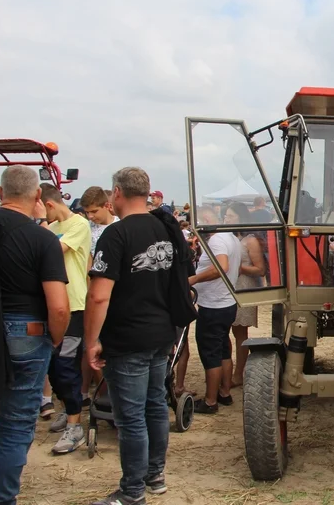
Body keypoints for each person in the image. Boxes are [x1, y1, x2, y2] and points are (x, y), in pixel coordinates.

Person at [85, 167, 177, 504]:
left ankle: (132, 491)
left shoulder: (115, 234)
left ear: (118, 193)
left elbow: (98, 295)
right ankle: (155, 475)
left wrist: (92, 340)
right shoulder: (165, 228)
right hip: (161, 332)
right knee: (155, 406)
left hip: (128, 337)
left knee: (132, 416)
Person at [0, 166, 70, 504]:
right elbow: (58, 307)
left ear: (0, 193)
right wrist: (53, 339)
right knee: (14, 424)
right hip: (26, 331)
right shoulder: (42, 239)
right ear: (38, 196)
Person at [39, 182, 92, 454]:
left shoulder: (78, 225)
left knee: (66, 364)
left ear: (48, 204)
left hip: (73, 307)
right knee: (51, 366)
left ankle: (75, 425)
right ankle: (67, 407)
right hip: (50, 306)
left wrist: (37, 226)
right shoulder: (51, 229)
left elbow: (51, 251)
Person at [189, 206, 242, 414]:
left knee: (210, 352)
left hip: (214, 305)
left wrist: (193, 279)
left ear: (206, 219)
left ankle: (210, 401)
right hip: (225, 302)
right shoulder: (231, 238)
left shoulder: (217, 239)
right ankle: (224, 393)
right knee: (222, 350)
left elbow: (222, 267)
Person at [79, 186, 119, 405]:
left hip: (111, 298)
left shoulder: (119, 227)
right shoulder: (85, 228)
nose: (90, 216)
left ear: (107, 205)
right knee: (91, 347)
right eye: (87, 212)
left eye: (94, 211)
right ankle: (101, 395)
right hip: (89, 295)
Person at [224, 202, 266, 387]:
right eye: (226, 216)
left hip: (244, 287)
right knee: (224, 330)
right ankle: (227, 369)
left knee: (240, 332)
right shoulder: (227, 237)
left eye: (230, 216)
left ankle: (238, 374)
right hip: (228, 288)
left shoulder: (250, 240)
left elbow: (260, 269)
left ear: (240, 218)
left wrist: (238, 267)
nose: (226, 219)